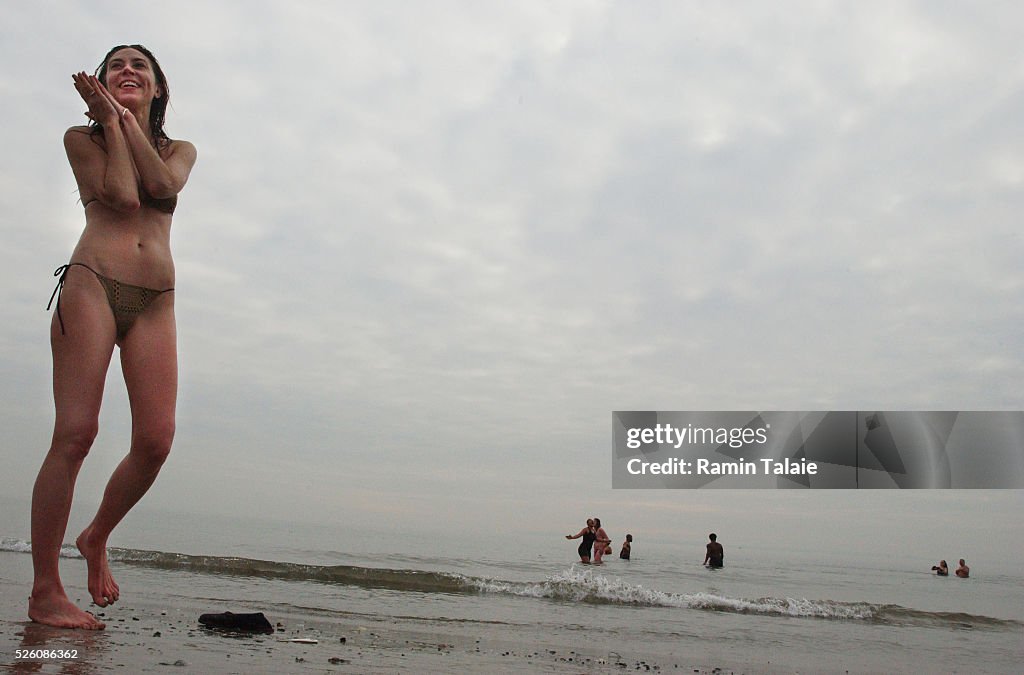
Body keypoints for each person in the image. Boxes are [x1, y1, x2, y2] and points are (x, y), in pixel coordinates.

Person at [29, 45, 197, 630]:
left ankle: (96, 535)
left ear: (157, 88)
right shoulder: (83, 139)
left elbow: (162, 187)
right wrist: (107, 123)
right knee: (75, 433)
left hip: (156, 301)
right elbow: (124, 198)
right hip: (93, 283)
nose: (126, 71)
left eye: (138, 66)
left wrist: (124, 121)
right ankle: (45, 591)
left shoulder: (180, 150)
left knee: (156, 440)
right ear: (99, 86)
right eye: (115, 67)